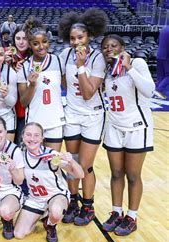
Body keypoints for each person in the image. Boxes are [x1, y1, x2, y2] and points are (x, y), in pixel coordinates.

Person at [100, 34, 155, 236]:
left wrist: (129, 67)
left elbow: (149, 90)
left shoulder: (137, 63)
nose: (109, 49)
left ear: (122, 47)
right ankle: (116, 212)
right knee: (115, 173)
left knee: (132, 175)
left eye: (113, 45)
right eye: (105, 47)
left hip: (137, 127)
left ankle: (132, 217)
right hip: (114, 126)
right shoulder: (106, 70)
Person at [58, 8, 108, 225]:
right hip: (71, 114)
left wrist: (80, 66)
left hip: (92, 116)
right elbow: (63, 83)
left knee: (85, 165)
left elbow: (88, 93)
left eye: (80, 37)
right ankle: (73, 201)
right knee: (71, 162)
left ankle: (88, 205)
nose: (76, 42)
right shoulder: (64, 55)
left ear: (89, 37)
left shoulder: (98, 58)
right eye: (72, 38)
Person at [14, 122, 84, 242]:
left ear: (42, 138)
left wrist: (71, 161)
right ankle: (43, 214)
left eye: (36, 135)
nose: (32, 139)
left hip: (55, 195)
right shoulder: (20, 155)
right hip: (35, 198)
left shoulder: (51, 155)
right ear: (23, 137)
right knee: (19, 234)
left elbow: (80, 174)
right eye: (28, 135)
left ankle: (51, 224)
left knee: (56, 211)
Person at [17, 17, 65, 152]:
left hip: (55, 122)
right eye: (36, 43)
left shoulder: (58, 60)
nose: (41, 46)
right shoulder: (24, 67)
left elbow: (68, 87)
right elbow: (24, 102)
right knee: (33, 166)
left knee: (52, 164)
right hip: (34, 122)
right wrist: (32, 85)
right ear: (30, 45)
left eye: (44, 42)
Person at [9, 24, 32, 144]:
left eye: (25, 39)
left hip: (29, 108)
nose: (21, 42)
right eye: (18, 38)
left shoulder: (35, 58)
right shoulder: (6, 56)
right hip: (10, 108)